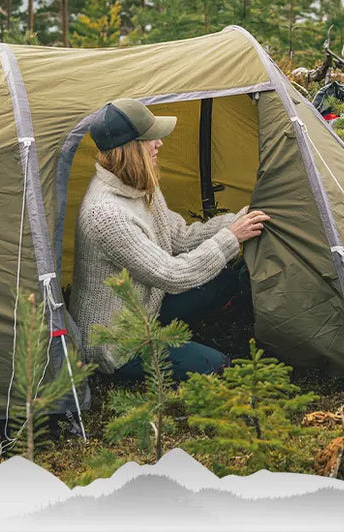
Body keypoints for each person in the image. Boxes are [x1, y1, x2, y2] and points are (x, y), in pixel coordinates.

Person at [68, 98, 270, 381]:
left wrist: (235, 221)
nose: (159, 143)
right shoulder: (106, 215)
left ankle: (234, 321)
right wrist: (230, 237)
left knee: (227, 278)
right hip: (118, 344)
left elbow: (179, 238)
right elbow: (172, 274)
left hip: (147, 307)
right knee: (223, 368)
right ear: (131, 148)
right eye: (151, 138)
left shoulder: (138, 184)